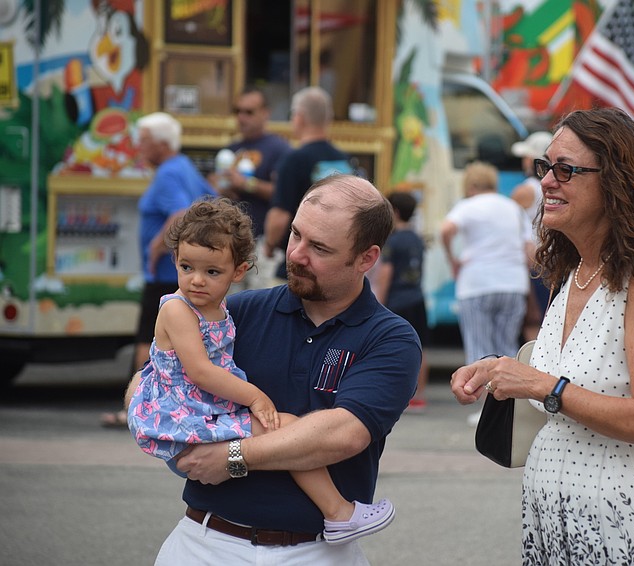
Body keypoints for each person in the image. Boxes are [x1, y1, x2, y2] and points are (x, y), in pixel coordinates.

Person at [450, 108, 634, 564]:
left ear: (616, 182)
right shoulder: (573, 272)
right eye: (546, 167)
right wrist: (499, 370)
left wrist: (542, 386)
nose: (548, 181)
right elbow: (577, 375)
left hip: (627, 522)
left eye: (566, 169)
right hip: (557, 521)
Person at [123, 175, 420, 564]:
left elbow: (342, 435)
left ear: (366, 258)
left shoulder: (390, 338)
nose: (295, 254)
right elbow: (146, 385)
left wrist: (232, 455)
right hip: (204, 543)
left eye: (319, 247)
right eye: (296, 234)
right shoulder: (236, 312)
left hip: (318, 553)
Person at [101, 111, 215, 428]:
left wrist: (155, 248)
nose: (138, 146)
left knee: (147, 339)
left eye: (145, 140)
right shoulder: (184, 167)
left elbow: (180, 213)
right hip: (178, 273)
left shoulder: (168, 172)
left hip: (165, 274)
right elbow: (212, 200)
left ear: (163, 143)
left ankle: (135, 408)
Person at [441, 160, 533, 365]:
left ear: (470, 185)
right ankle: (507, 397)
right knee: (507, 350)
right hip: (513, 284)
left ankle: (484, 397)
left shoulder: (467, 206)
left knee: (480, 352)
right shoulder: (513, 208)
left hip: (477, 283)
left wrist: (452, 261)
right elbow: (529, 248)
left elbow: (446, 230)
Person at [264, 86, 352, 281]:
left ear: (299, 117)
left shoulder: (293, 159)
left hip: (299, 263)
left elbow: (280, 214)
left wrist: (269, 245)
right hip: (334, 262)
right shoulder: (343, 160)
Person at [214, 85, 291, 289]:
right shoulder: (231, 149)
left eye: (249, 112)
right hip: (230, 241)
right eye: (237, 111)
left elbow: (286, 193)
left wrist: (247, 184)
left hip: (263, 244)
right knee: (232, 308)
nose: (241, 117)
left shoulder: (279, 148)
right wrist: (222, 188)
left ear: (266, 113)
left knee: (262, 307)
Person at [373, 191, 430, 413]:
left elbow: (385, 273)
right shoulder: (417, 238)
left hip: (397, 300)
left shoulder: (393, 241)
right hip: (417, 297)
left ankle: (396, 394)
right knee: (421, 347)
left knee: (392, 346)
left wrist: (380, 301)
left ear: (394, 212)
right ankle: (419, 395)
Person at [510, 131, 554, 342]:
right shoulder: (556, 188)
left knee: (533, 321)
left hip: (533, 262)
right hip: (552, 258)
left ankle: (533, 368)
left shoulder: (524, 191)